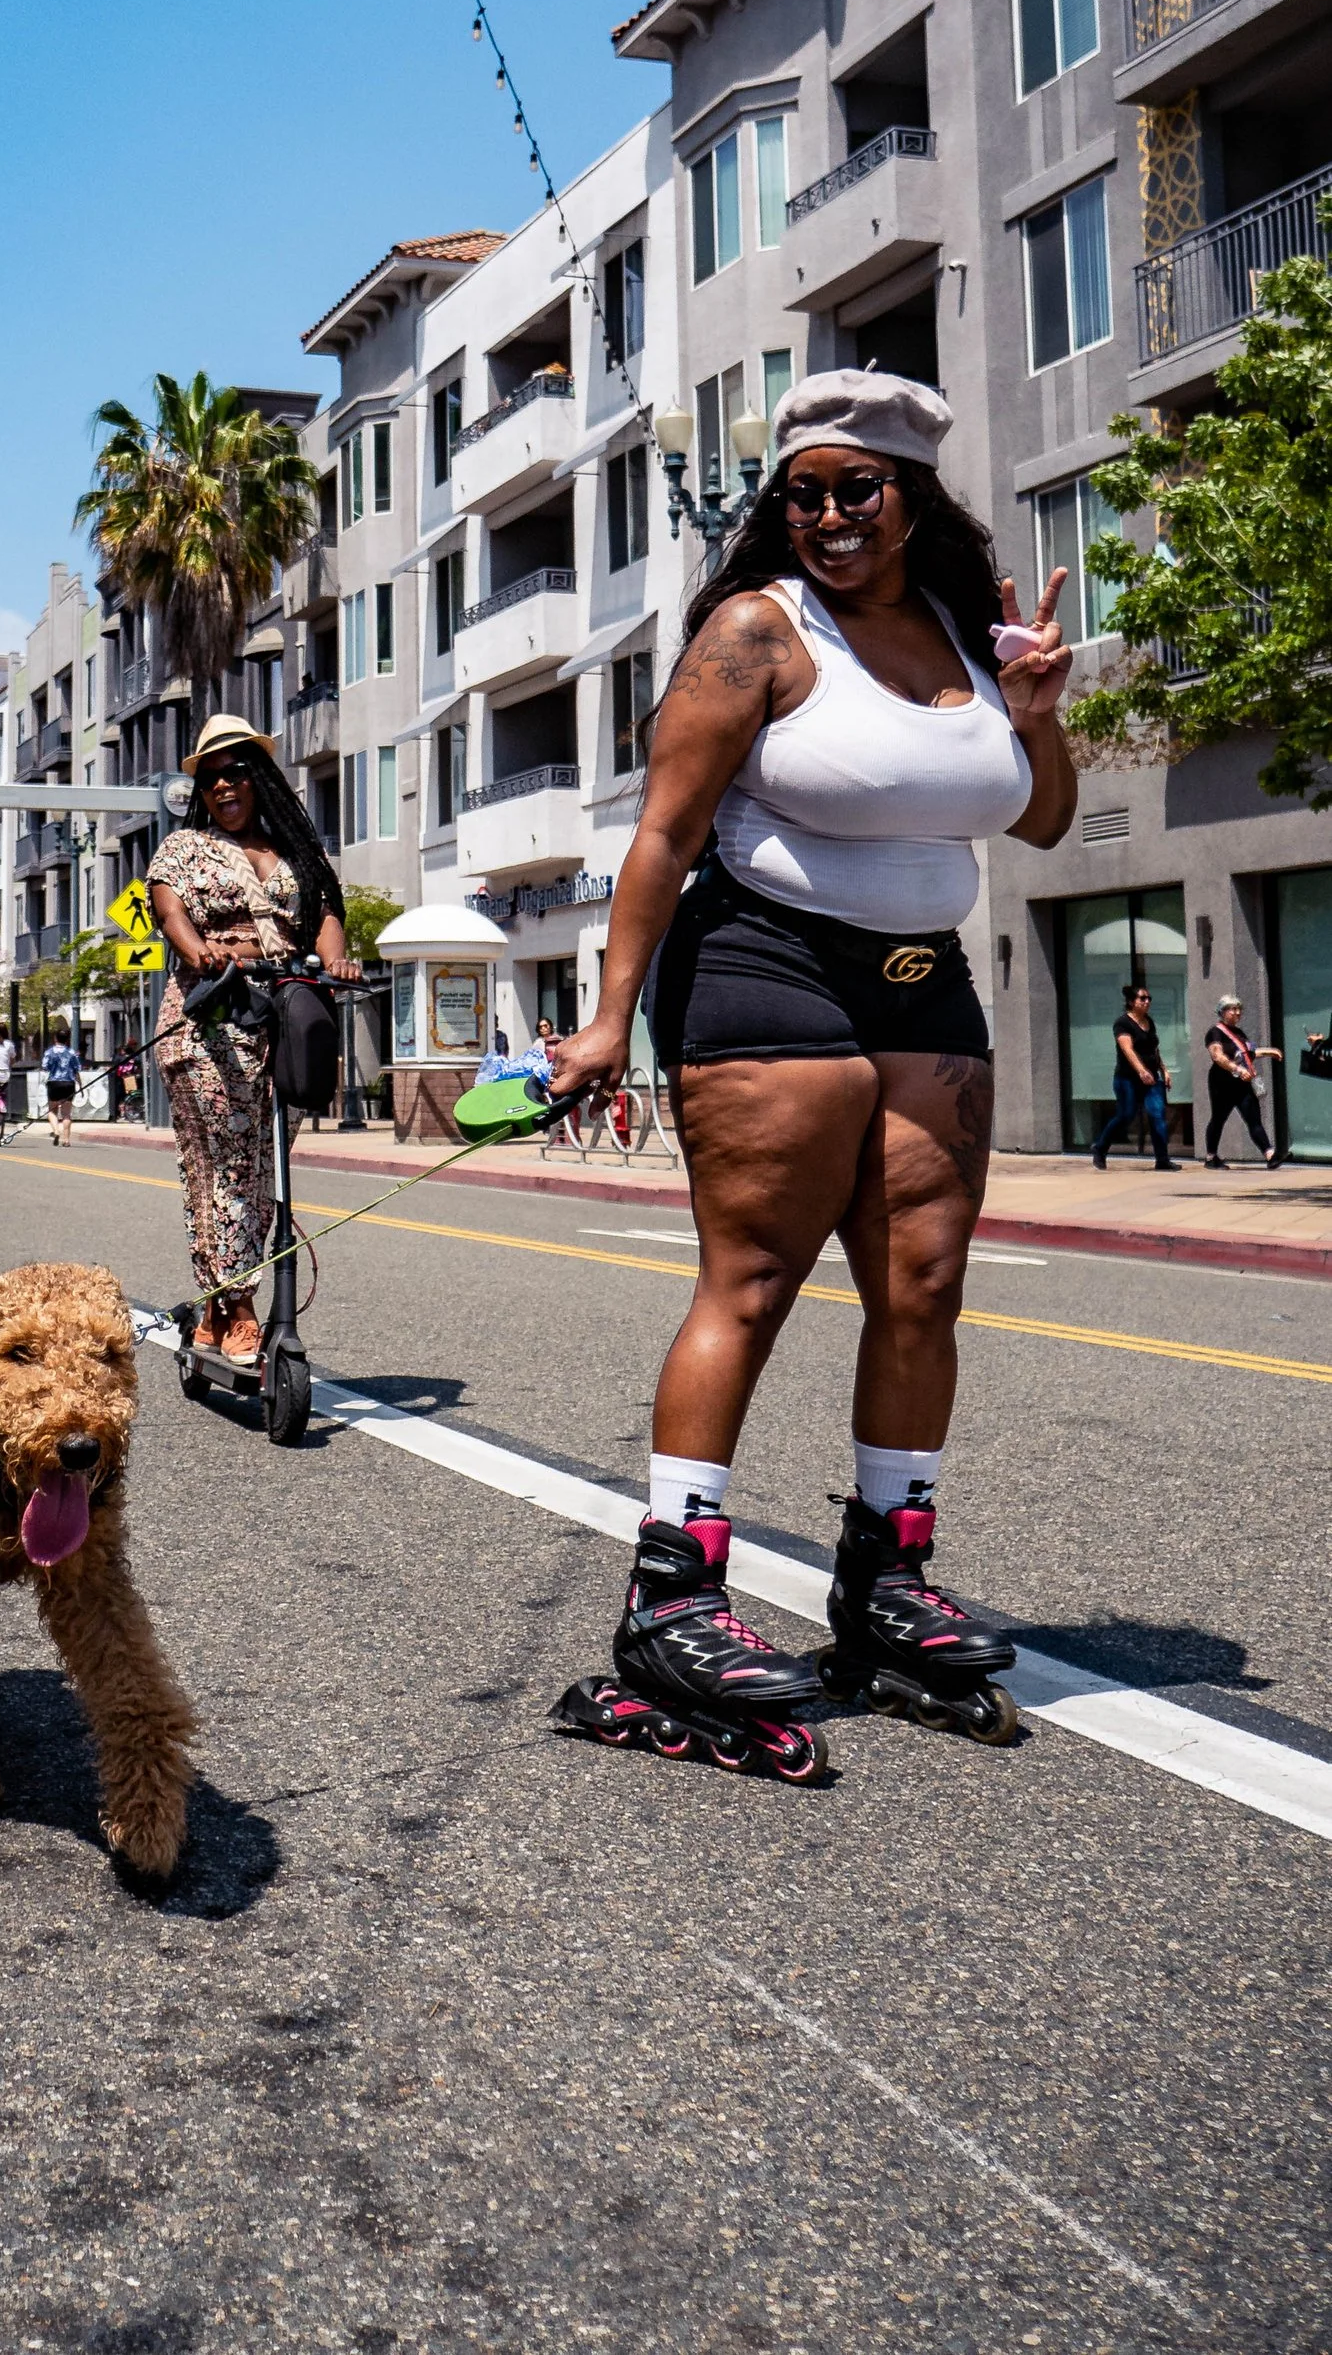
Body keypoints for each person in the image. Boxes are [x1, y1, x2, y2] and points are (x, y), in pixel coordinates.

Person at [541, 372, 1077, 1763]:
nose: (830, 514)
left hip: (921, 978)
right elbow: (662, 834)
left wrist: (1033, 707)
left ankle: (887, 1575)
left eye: (859, 489)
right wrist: (607, 1020)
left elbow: (1046, 823)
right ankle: (675, 1594)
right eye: (806, 491)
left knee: (923, 1279)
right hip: (763, 960)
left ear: (913, 498)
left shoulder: (970, 634)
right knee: (758, 1275)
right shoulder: (756, 634)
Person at [149, 713, 361, 1360]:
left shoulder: (293, 851)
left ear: (258, 776)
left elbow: (324, 910)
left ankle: (218, 1298)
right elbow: (169, 909)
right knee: (223, 1168)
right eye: (209, 779)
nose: (222, 787)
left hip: (281, 1019)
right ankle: (239, 1304)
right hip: (208, 1023)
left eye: (234, 772)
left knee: (263, 1169)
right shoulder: (184, 850)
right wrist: (201, 951)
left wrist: (337, 959)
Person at [1090, 982, 1176, 1172]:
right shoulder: (1122, 1023)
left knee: (1157, 1114)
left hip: (1152, 1079)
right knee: (1125, 1115)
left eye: (1149, 998)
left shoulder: (1149, 1022)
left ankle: (1162, 1160)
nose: (1147, 1002)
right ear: (1131, 1002)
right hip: (1127, 1079)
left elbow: (1154, 1050)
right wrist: (1141, 1071)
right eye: (1142, 998)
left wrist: (1164, 1070)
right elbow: (1127, 1049)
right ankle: (1100, 1148)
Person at [1201, 995, 1281, 1169]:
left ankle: (1270, 1155)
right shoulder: (1215, 1032)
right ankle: (1211, 1157)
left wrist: (1270, 1051)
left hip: (1242, 1084)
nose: (1237, 1013)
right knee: (1218, 1119)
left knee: (1253, 1119)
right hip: (1222, 1084)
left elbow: (1247, 1054)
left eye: (1239, 1009)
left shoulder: (1239, 1033)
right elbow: (1218, 1056)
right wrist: (1236, 1069)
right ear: (1222, 1012)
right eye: (1233, 1009)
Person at [41, 1018, 82, 1145]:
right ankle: (67, 1139)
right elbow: (76, 1070)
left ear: (55, 1038)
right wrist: (80, 1084)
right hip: (68, 1083)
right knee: (66, 1113)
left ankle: (56, 1131)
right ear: (67, 1039)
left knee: (52, 1111)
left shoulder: (50, 1052)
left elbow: (45, 1066)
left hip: (54, 1082)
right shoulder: (71, 1053)